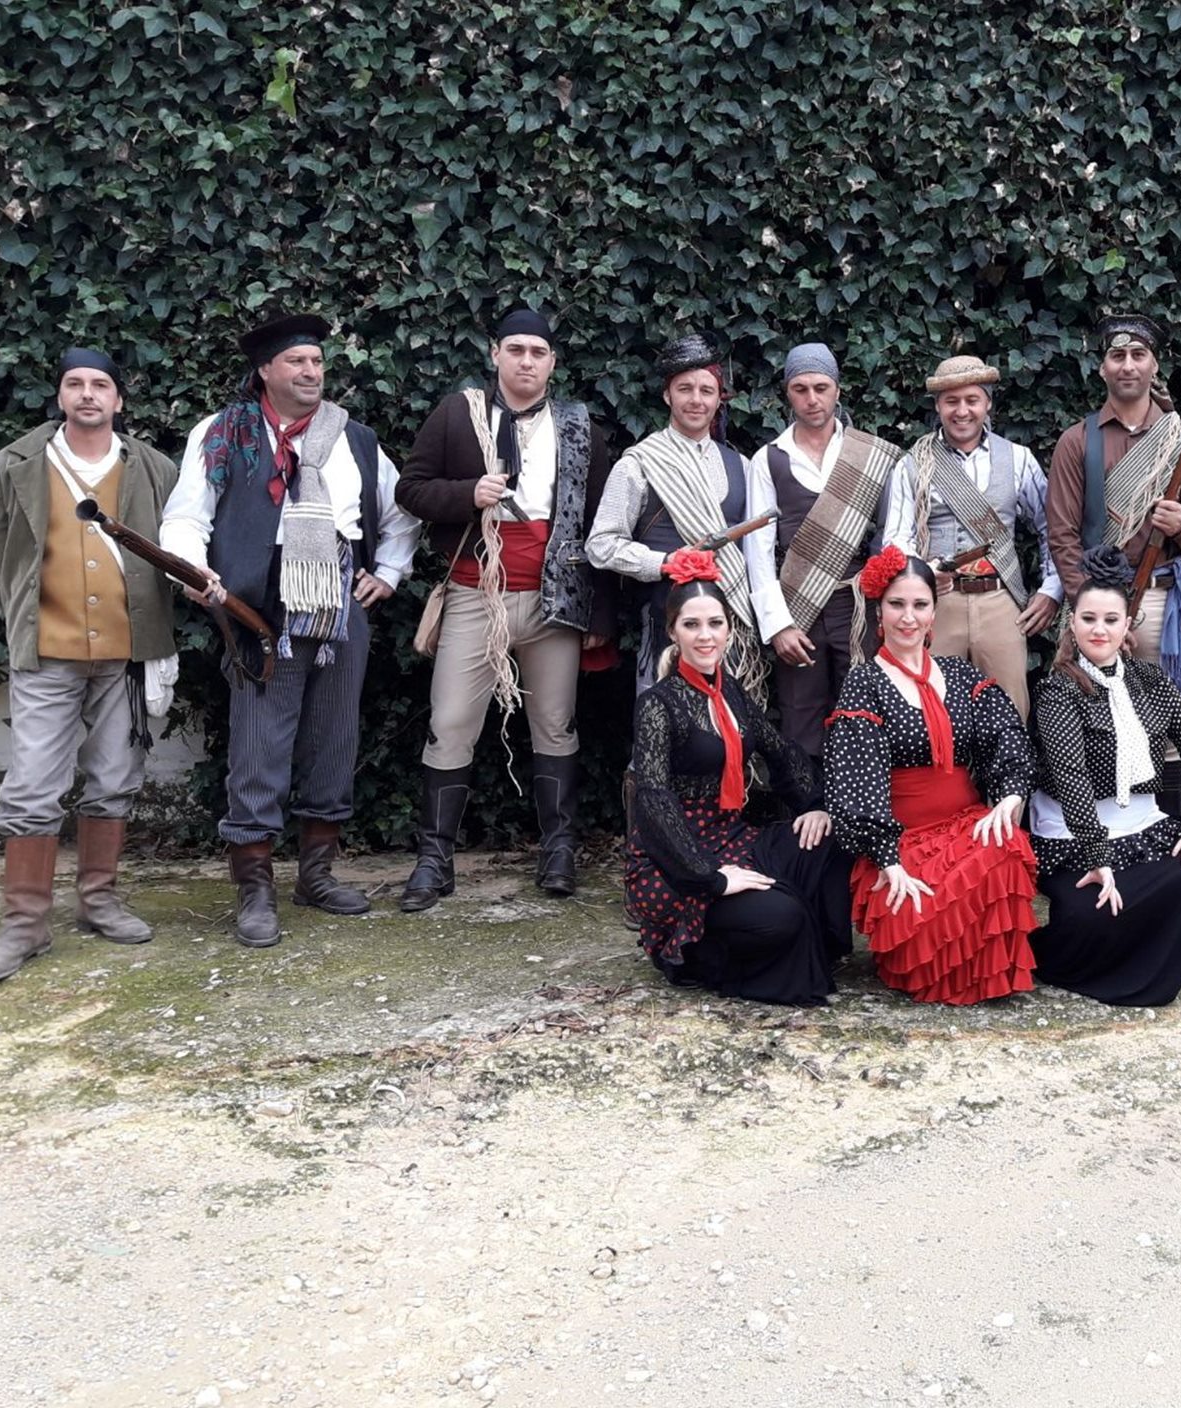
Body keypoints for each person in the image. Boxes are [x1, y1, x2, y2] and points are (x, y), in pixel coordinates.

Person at [160, 312, 419, 948]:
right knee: (258, 744)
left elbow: (400, 512)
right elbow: (186, 517)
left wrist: (386, 570)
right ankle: (255, 889)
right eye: (297, 362)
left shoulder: (353, 437)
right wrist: (196, 573)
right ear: (266, 371)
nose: (311, 372)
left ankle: (317, 875)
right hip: (256, 605)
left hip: (338, 603)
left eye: (317, 362)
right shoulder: (224, 434)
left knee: (334, 737)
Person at [0, 348, 181, 983]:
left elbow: (181, 543)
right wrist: (30, 612)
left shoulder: (154, 468)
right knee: (32, 785)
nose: (88, 394)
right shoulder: (12, 466)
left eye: (101, 385)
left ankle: (99, 901)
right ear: (60, 395)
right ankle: (24, 924)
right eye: (75, 384)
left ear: (118, 400)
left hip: (129, 651)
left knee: (114, 776)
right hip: (47, 652)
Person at [391, 304, 615, 911]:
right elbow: (408, 490)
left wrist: (598, 615)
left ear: (552, 363)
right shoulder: (457, 415)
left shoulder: (578, 426)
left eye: (538, 352)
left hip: (554, 603)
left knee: (555, 724)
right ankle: (434, 859)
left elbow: (601, 524)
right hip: (475, 594)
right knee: (451, 724)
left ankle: (559, 850)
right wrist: (468, 494)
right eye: (515, 350)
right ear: (495, 354)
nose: (526, 361)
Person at [626, 549, 851, 1004]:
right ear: (673, 632)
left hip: (732, 838)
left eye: (715, 623)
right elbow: (652, 801)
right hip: (676, 865)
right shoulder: (659, 704)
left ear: (730, 629)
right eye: (692, 625)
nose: (705, 636)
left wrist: (815, 806)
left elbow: (779, 750)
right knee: (783, 915)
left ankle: (813, 949)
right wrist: (712, 878)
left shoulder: (730, 690)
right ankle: (690, 956)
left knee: (833, 838)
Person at [823, 547, 1040, 1004]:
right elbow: (855, 781)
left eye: (919, 605)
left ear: (933, 612)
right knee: (920, 902)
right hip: (902, 839)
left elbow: (1006, 734)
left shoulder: (960, 675)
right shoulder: (865, 683)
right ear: (879, 610)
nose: (908, 618)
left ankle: (983, 975)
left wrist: (1010, 796)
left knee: (1005, 848)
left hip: (964, 823)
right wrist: (887, 859)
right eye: (897, 605)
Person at [1028, 546, 1181, 1005]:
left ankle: (1166, 957)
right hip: (1073, 834)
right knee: (1091, 912)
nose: (1099, 629)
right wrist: (1098, 855)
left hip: (1142, 822)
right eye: (1089, 618)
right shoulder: (1057, 689)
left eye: (1110, 620)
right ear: (1072, 623)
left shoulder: (1149, 680)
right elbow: (1070, 775)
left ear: (1126, 625)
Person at [586, 331, 767, 702]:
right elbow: (601, 545)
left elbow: (758, 553)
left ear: (720, 399)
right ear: (668, 395)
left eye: (706, 390)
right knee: (665, 735)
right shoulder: (640, 463)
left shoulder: (743, 466)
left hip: (731, 628)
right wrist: (665, 562)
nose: (696, 400)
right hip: (666, 628)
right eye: (685, 389)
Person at [745, 342, 902, 758]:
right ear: (787, 393)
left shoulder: (870, 454)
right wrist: (777, 625)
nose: (811, 399)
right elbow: (757, 552)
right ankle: (805, 814)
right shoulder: (768, 459)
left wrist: (883, 600)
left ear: (838, 389)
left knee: (866, 711)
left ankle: (860, 813)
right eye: (800, 389)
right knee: (800, 716)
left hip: (859, 606)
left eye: (821, 387)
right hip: (798, 608)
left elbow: (892, 533)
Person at [1047, 313, 1181, 697]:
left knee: (1166, 728)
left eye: (1138, 354)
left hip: (1160, 605)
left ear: (1154, 365)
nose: (1128, 365)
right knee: (1097, 727)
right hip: (1095, 609)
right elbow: (1061, 536)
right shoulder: (1075, 442)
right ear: (1102, 368)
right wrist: (1094, 614)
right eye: (1117, 356)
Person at [882, 354, 1061, 716]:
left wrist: (1050, 591)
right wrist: (925, 574)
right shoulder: (913, 464)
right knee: (934, 711)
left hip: (1001, 603)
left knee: (1010, 711)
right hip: (937, 605)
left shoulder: (1019, 458)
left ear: (987, 403)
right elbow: (895, 541)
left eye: (971, 400)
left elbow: (1052, 528)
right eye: (951, 401)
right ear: (938, 406)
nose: (962, 411)